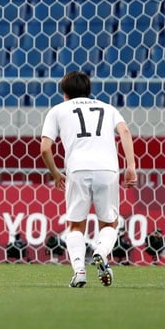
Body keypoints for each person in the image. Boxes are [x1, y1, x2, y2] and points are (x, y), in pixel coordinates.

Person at [40, 70, 137, 288]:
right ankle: (101, 252)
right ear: (89, 91)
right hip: (108, 169)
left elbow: (45, 149)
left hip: (77, 169)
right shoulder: (108, 108)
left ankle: (79, 271)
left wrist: (56, 174)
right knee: (110, 223)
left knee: (75, 226)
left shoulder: (57, 111)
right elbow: (126, 132)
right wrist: (130, 166)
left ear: (64, 93)